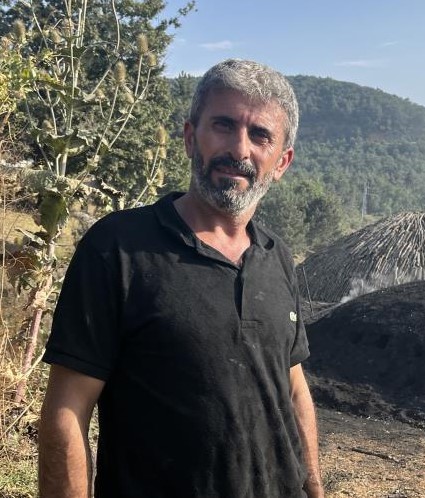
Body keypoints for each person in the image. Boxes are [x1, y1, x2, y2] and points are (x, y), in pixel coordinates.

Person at [37, 59, 324, 498]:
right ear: (191, 137)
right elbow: (66, 410)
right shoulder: (118, 248)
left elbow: (293, 386)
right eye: (223, 125)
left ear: (282, 161)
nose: (239, 150)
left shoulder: (277, 257)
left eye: (260, 135)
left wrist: (314, 486)